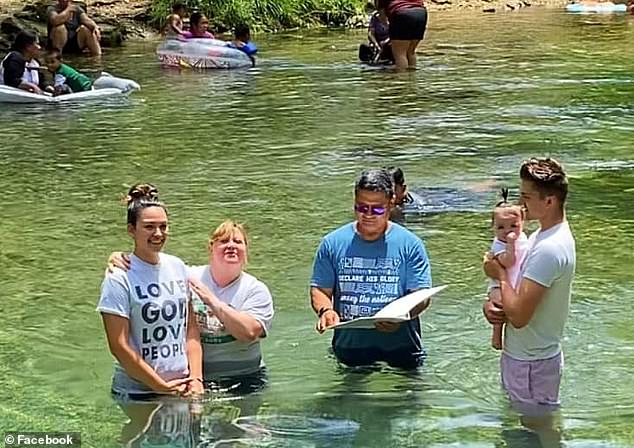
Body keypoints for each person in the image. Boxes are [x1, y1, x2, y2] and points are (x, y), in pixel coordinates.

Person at [108, 219, 274, 393]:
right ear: (210, 248)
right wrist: (119, 260)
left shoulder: (255, 290)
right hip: (195, 379)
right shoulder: (187, 275)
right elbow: (152, 268)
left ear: (246, 250)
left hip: (245, 378)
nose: (231, 246)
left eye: (238, 242)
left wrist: (211, 300)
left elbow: (248, 333)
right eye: (224, 241)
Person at [310, 168, 432, 369]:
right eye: (362, 208)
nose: (368, 215)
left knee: (406, 399)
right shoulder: (331, 243)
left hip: (403, 346)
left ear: (391, 203)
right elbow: (320, 289)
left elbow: (422, 295)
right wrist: (326, 311)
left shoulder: (411, 244)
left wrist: (402, 317)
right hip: (349, 347)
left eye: (376, 209)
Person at [483, 158, 575, 417]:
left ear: (549, 201)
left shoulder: (549, 248)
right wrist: (491, 305)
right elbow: (516, 291)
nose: (521, 204)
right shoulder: (538, 237)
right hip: (529, 357)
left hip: (532, 363)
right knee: (526, 430)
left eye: (527, 196)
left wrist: (498, 273)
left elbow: (520, 317)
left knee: (538, 429)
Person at [97, 183, 203, 402]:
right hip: (138, 392)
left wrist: (196, 379)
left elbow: (190, 328)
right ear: (131, 230)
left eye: (163, 226)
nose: (158, 233)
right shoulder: (119, 277)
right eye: (149, 227)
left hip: (183, 387)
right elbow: (119, 346)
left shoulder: (177, 266)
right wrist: (159, 386)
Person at [486, 189, 529, 350]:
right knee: (499, 307)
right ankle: (496, 335)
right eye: (501, 227)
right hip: (499, 285)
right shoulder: (499, 244)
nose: (507, 231)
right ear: (493, 228)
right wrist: (510, 245)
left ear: (523, 223)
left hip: (513, 283)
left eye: (514, 225)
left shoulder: (524, 238)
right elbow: (508, 262)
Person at [377, 0, 427, 70]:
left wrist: (389, 27)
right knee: (411, 52)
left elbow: (382, 16)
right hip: (420, 12)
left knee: (400, 54)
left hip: (401, 13)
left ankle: (402, 79)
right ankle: (412, 78)